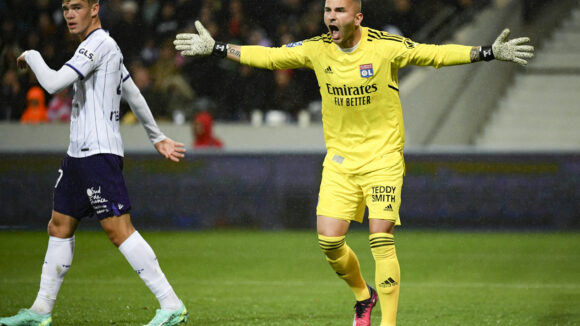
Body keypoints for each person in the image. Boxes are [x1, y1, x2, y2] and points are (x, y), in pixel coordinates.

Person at [173, 0, 534, 325]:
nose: (330, 16)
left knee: (381, 237)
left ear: (357, 17)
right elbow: (270, 57)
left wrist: (486, 51)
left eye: (339, 11)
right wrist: (218, 48)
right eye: (328, 10)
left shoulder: (385, 48)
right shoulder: (317, 49)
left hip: (383, 157)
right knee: (329, 243)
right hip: (341, 162)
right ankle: (364, 296)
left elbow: (434, 54)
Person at [0, 0, 188, 325]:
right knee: (59, 226)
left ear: (94, 8)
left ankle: (171, 304)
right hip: (77, 155)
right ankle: (41, 311)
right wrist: (156, 136)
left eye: (76, 6)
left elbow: (55, 83)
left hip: (99, 153)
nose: (69, 14)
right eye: (65, 8)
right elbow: (133, 93)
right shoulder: (103, 47)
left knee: (118, 229)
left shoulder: (98, 44)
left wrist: (31, 55)